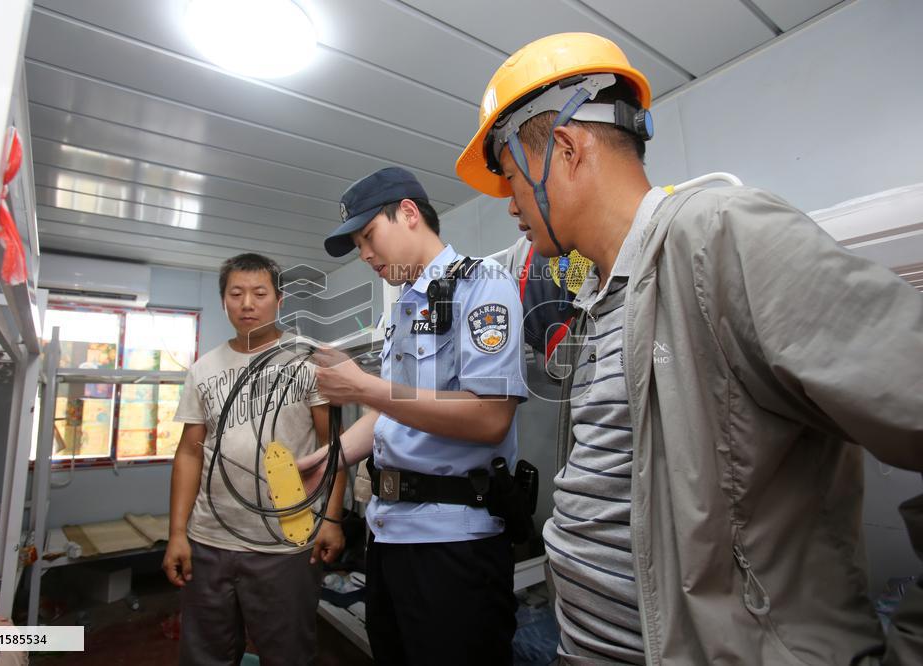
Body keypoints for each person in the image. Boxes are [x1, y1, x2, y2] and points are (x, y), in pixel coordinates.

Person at [454, 32, 923, 665]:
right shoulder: (596, 297)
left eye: (509, 178)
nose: (508, 203)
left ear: (564, 148)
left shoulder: (720, 236)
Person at [305, 166, 529, 664]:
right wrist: (332, 457)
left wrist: (366, 387)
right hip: (389, 535)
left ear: (408, 214)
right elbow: (396, 414)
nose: (365, 255)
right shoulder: (402, 308)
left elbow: (491, 416)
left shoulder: (482, 284)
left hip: (453, 543)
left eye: (368, 237)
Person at [161, 252, 346, 666]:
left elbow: (333, 447)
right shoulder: (204, 369)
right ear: (224, 301)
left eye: (259, 293)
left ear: (279, 300)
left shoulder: (308, 361)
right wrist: (177, 532)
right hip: (209, 540)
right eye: (236, 293)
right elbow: (190, 453)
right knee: (205, 654)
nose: (247, 303)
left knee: (288, 653)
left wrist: (332, 520)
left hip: (286, 541)